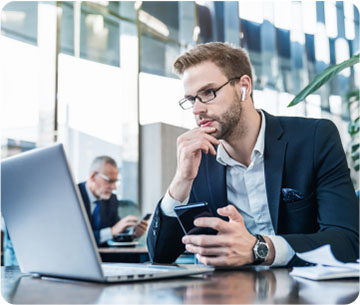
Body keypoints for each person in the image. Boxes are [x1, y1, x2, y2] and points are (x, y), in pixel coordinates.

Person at [147, 42, 359, 267]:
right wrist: (182, 179)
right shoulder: (199, 159)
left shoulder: (314, 138)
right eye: (191, 100)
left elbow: (347, 241)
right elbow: (160, 255)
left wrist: (260, 248)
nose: (197, 110)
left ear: (244, 87)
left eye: (208, 92)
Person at [78, 156, 148, 245]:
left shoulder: (111, 200)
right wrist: (111, 231)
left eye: (115, 182)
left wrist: (134, 234)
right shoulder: (73, 196)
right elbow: (75, 237)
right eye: (110, 181)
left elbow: (116, 233)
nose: (114, 187)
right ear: (93, 176)